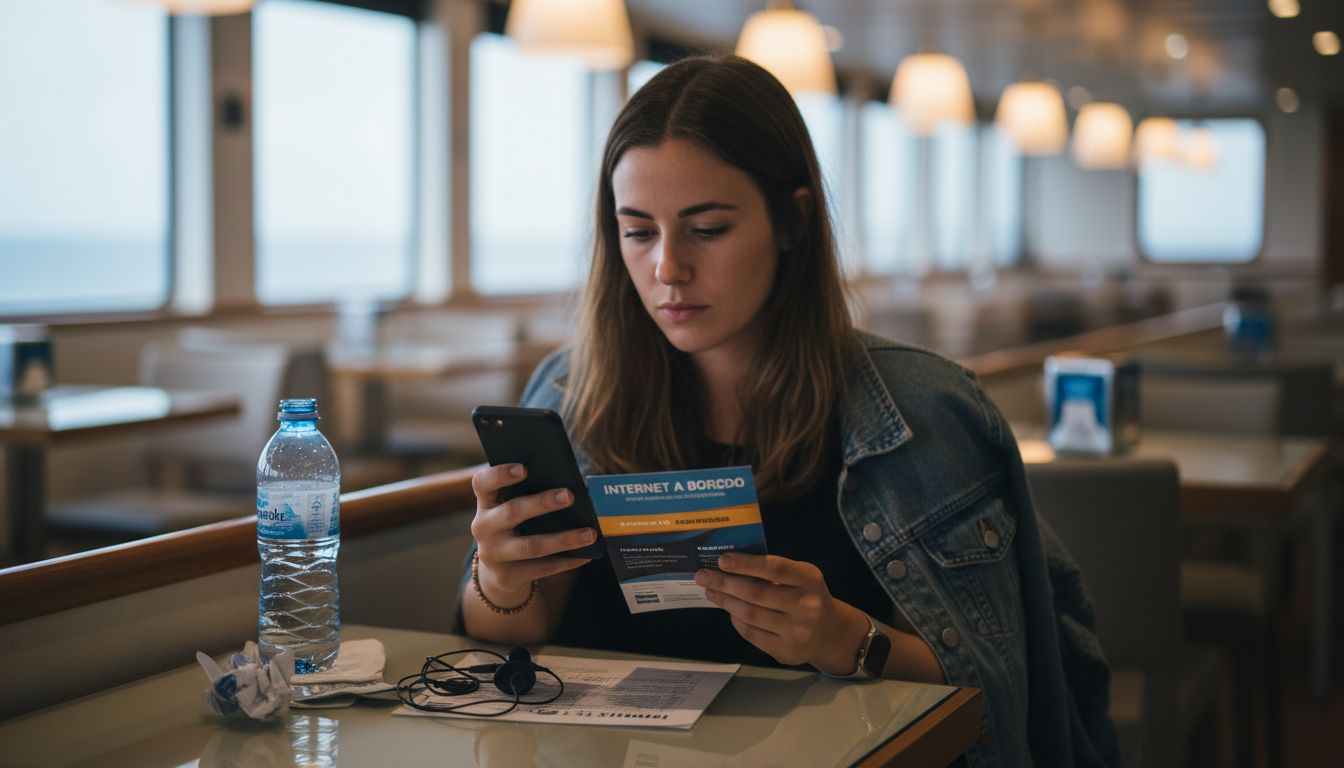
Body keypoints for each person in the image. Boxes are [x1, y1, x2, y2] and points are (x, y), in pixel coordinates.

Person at [456, 55, 1118, 767]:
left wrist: (844, 640)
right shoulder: (570, 395)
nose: (667, 268)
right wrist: (499, 583)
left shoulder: (924, 416)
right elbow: (508, 643)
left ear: (792, 221)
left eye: (707, 229)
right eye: (638, 231)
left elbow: (991, 700)